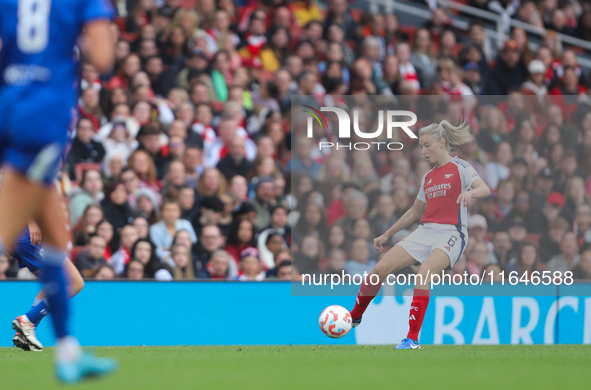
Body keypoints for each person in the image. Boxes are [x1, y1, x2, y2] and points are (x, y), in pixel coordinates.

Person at [0, 0, 117, 381]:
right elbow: (102, 57)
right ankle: (63, 348)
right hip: (45, 112)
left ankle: (66, 349)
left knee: (57, 240)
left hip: (12, 107)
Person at [347, 120, 490, 349]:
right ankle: (355, 315)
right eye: (421, 146)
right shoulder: (428, 178)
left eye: (427, 145)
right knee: (380, 269)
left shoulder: (461, 167)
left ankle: (412, 338)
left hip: (452, 232)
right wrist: (387, 234)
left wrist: (470, 194)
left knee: (423, 273)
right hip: (425, 231)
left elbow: (485, 188)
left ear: (442, 143)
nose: (423, 152)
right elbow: (414, 212)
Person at [11, 225, 85, 352]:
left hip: (22, 236)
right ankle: (28, 320)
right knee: (73, 282)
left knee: (54, 285)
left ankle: (24, 333)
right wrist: (32, 223)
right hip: (29, 235)